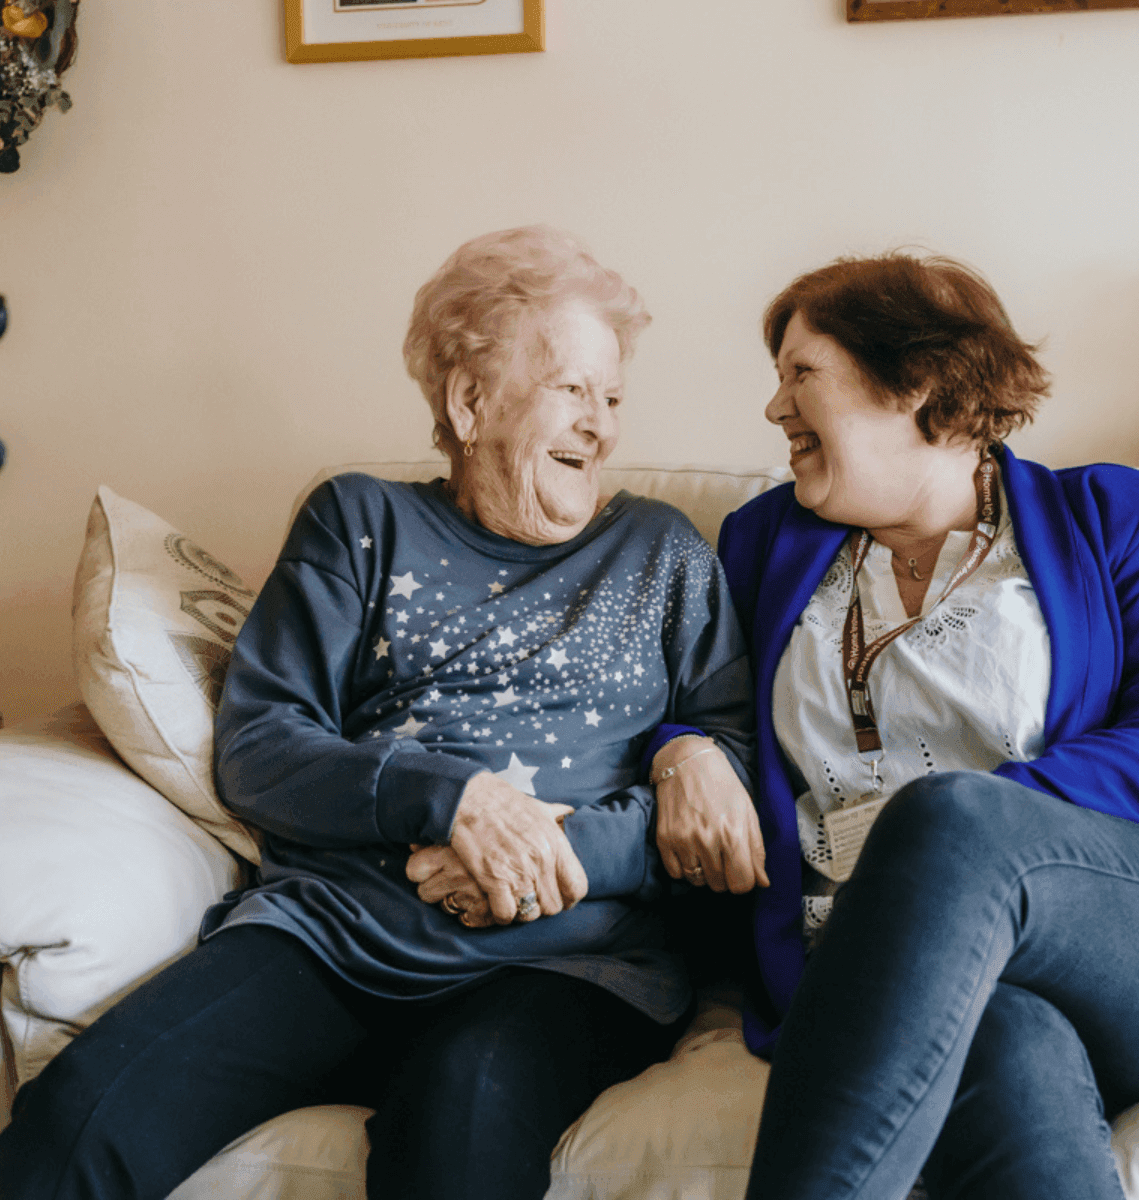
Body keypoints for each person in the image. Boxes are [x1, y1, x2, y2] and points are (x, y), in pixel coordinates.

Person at [0, 225, 766, 1200]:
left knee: (461, 1119)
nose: (603, 427)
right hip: (330, 935)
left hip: (566, 963)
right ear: (469, 400)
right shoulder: (358, 522)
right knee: (80, 1121)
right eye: (573, 390)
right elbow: (259, 746)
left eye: (612, 398)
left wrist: (549, 854)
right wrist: (452, 801)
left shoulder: (661, 556)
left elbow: (728, 766)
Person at [717, 251, 1139, 1200]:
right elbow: (700, 710)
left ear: (917, 383)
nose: (775, 409)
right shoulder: (761, 544)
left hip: (1138, 947)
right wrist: (684, 754)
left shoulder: (1111, 517)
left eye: (801, 375)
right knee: (1003, 1038)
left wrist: (964, 822)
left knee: (949, 820)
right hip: (882, 973)